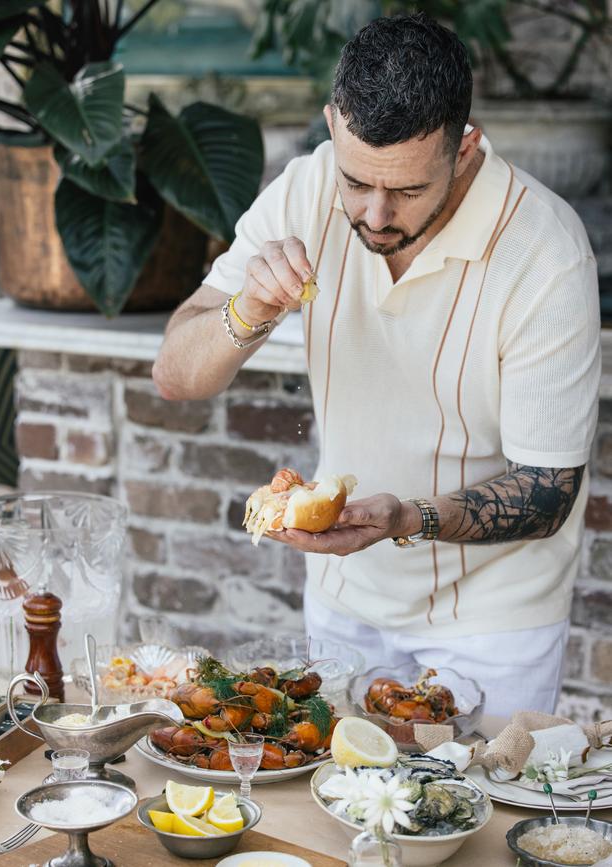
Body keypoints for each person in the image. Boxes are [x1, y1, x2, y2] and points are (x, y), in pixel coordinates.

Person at [153, 14, 600, 717]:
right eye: (356, 180)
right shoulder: (304, 191)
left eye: (408, 190)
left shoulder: (546, 251)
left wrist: (404, 517)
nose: (375, 213)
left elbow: (549, 491)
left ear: (465, 147)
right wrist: (251, 310)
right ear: (332, 125)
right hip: (342, 608)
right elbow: (176, 374)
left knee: (471, 819)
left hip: (493, 627)